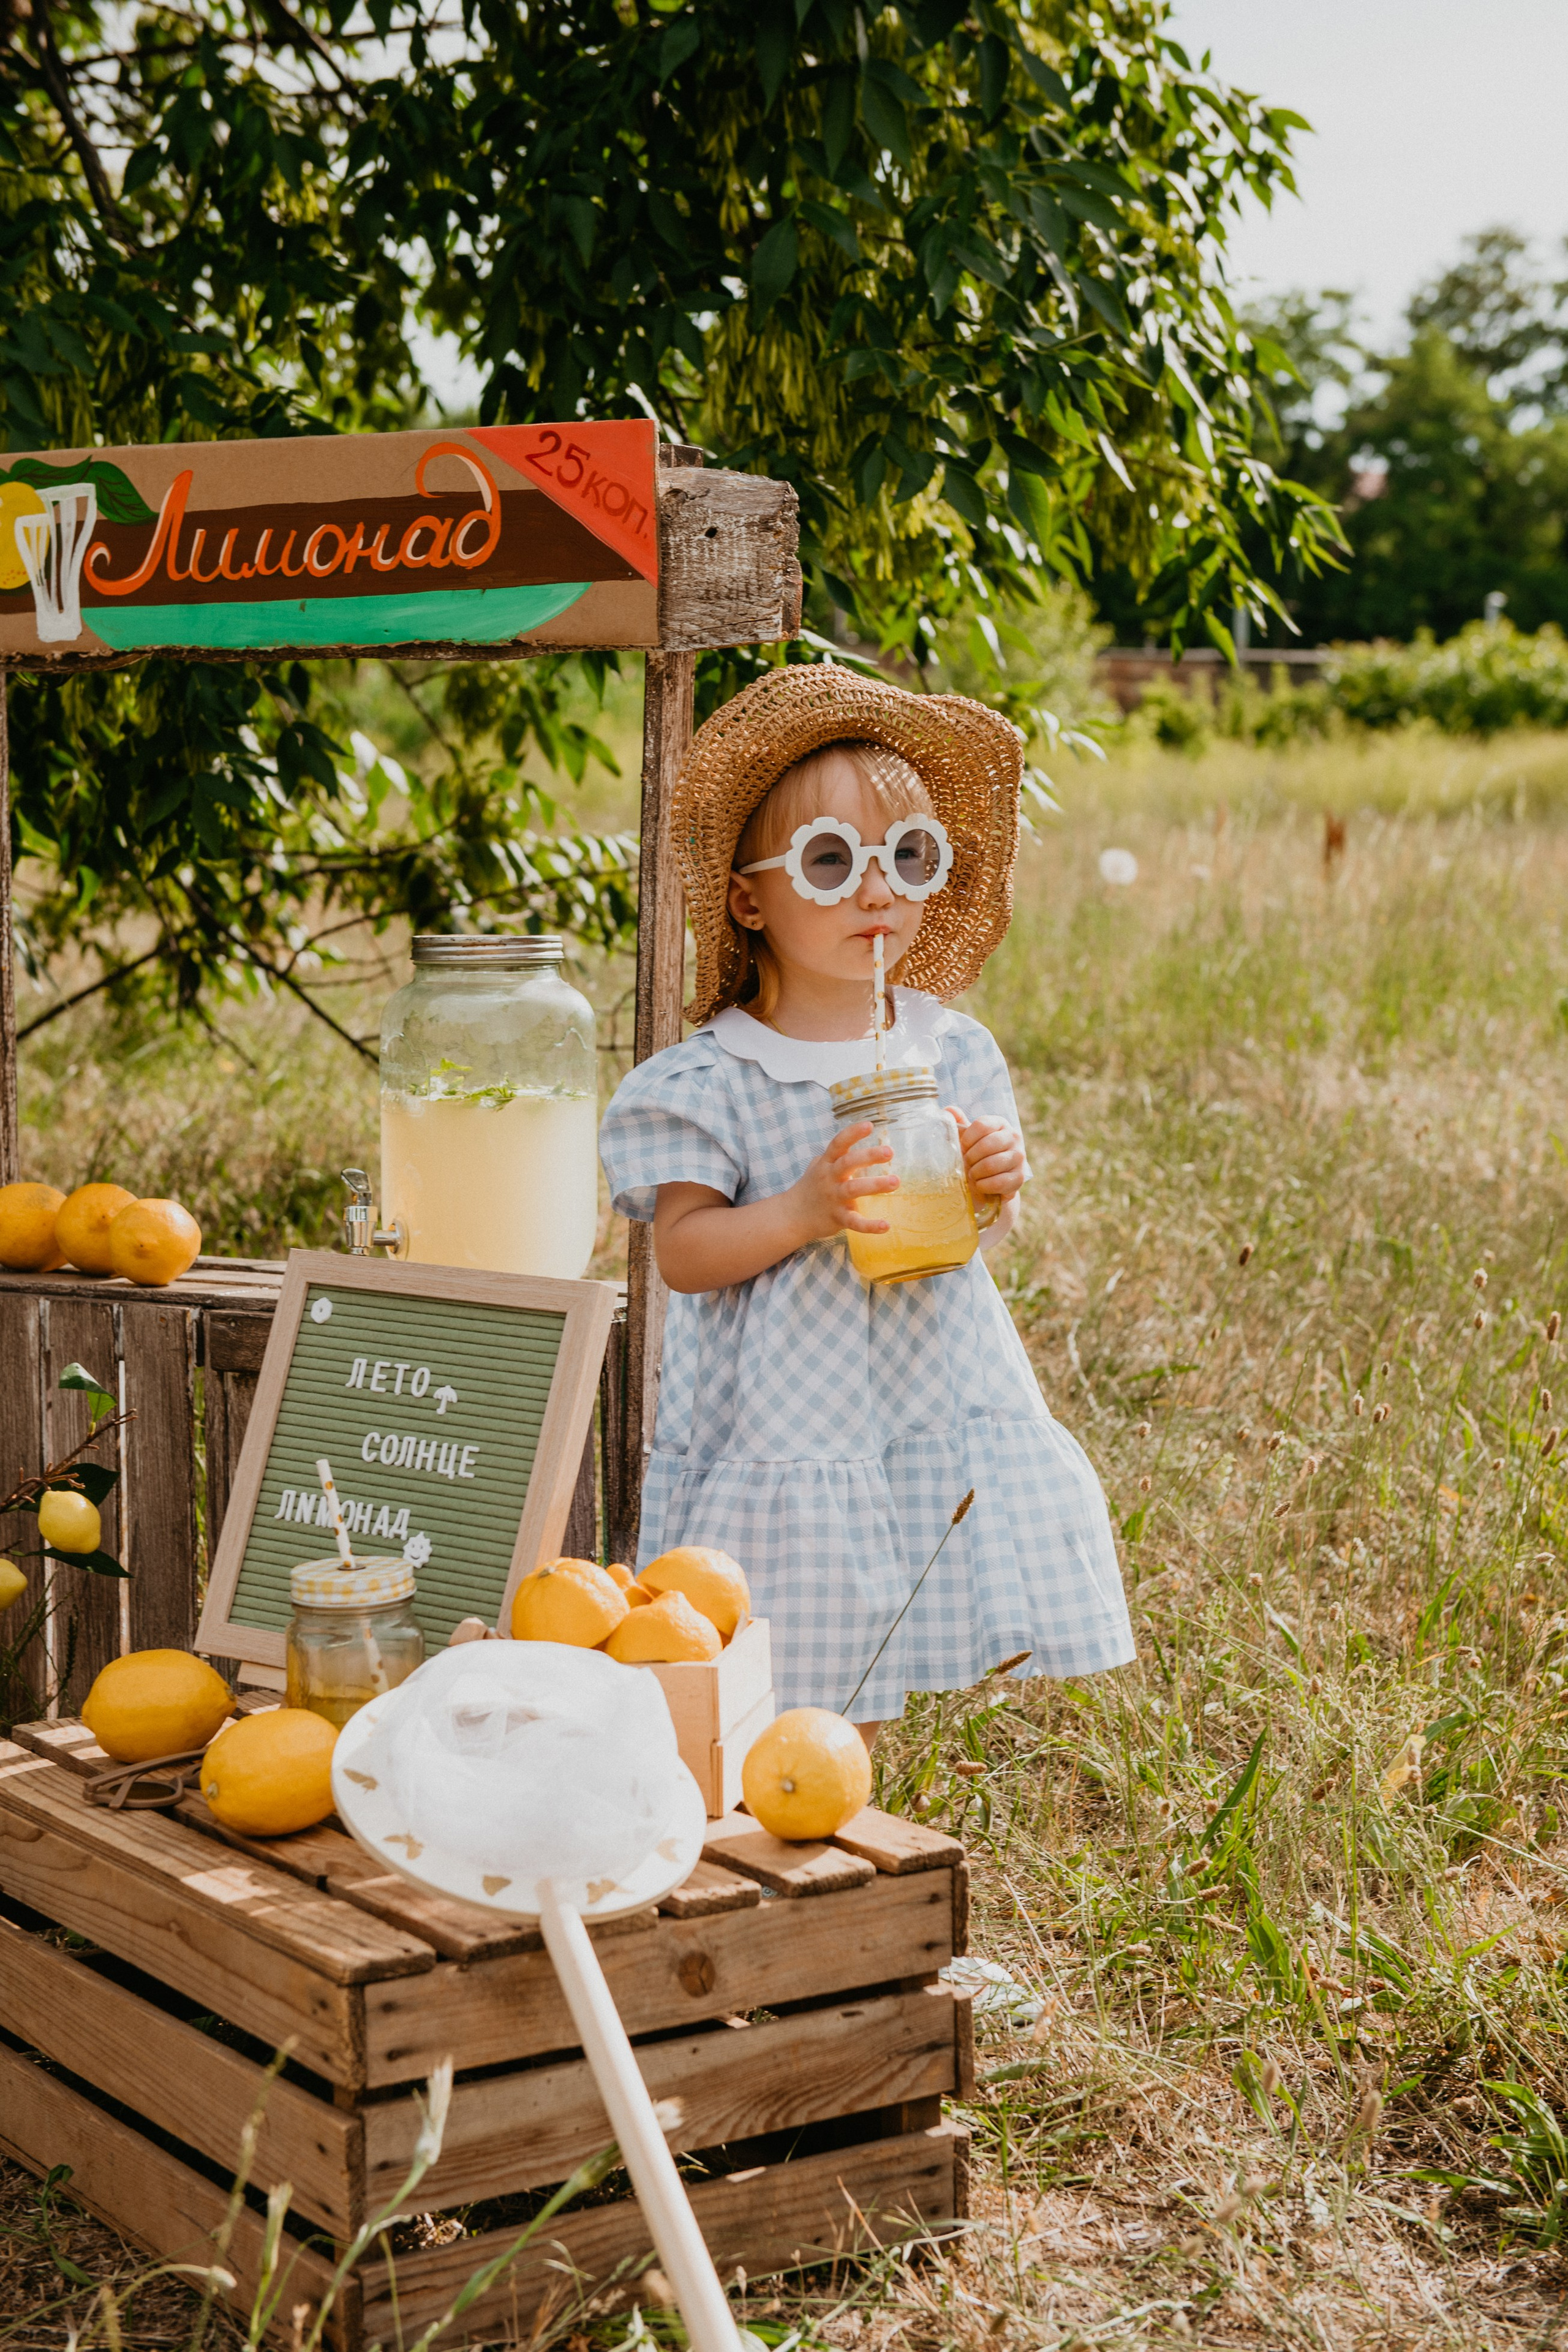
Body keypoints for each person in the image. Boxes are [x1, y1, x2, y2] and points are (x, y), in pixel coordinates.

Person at [599, 664, 1132, 1740]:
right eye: (830, 862)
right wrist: (801, 1210)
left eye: (907, 857)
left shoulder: (946, 1046)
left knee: (894, 1604)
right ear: (749, 898)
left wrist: (992, 1186)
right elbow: (686, 1254)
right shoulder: (720, 1075)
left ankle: (845, 1793)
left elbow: (980, 1233)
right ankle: (788, 1784)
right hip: (790, 1416)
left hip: (926, 1385)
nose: (875, 890)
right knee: (796, 1642)